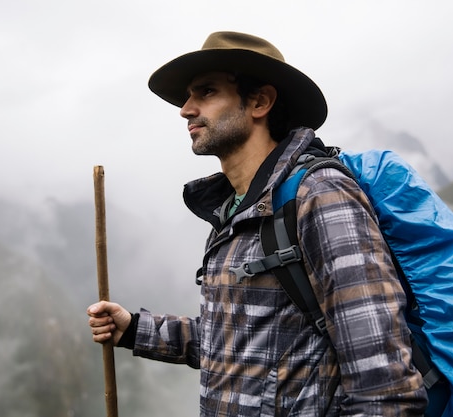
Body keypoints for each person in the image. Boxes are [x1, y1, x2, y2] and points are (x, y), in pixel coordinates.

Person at [87, 31, 428, 416]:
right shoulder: (234, 212)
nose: (185, 109)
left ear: (260, 102)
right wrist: (132, 328)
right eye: (188, 96)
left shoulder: (320, 196)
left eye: (206, 92)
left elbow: (386, 388)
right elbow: (237, 346)